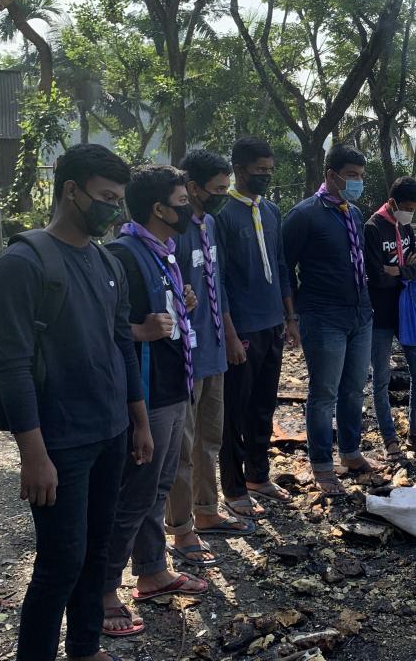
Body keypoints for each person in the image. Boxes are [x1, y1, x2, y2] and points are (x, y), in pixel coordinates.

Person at [0, 143, 152, 661]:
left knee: (97, 552)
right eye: (106, 197)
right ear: (71, 191)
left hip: (110, 433)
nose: (113, 208)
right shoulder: (22, 263)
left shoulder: (107, 261)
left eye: (119, 199)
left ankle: (84, 649)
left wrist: (138, 421)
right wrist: (33, 455)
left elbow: (122, 345)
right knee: (60, 561)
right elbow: (10, 367)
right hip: (60, 442)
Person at [102, 165, 207, 638]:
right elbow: (96, 327)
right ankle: (102, 592)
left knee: (157, 488)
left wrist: (182, 303)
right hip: (145, 393)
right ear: (158, 209)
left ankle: (150, 571)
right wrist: (139, 331)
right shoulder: (122, 255)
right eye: (181, 202)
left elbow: (159, 309)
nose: (188, 208)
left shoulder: (162, 251)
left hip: (172, 383)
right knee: (134, 494)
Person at [164, 150, 256, 569]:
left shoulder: (212, 223)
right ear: (195, 187)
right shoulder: (175, 231)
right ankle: (179, 527)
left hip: (216, 350)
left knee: (210, 439)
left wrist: (231, 337)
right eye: (218, 190)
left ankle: (206, 510)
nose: (222, 196)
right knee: (181, 447)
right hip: (186, 354)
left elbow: (217, 287)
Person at [282, 144, 378, 495]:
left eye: (360, 177)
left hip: (359, 315)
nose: (357, 182)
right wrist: (291, 316)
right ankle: (322, 464)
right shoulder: (304, 215)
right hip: (322, 316)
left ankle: (351, 452)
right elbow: (285, 268)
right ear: (331, 175)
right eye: (351, 176)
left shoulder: (352, 213)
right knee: (323, 392)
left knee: (353, 390)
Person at [215, 137, 300, 517]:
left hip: (272, 324)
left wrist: (290, 317)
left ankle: (258, 475)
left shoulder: (272, 211)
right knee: (235, 409)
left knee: (264, 405)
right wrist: (230, 333)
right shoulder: (222, 215)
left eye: (269, 170)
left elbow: (281, 265)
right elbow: (218, 281)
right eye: (258, 171)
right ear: (238, 168)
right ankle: (232, 488)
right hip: (242, 328)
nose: (265, 177)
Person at [364, 177, 416, 460]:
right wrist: (401, 270)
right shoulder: (373, 228)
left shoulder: (406, 227)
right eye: (407, 207)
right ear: (393, 202)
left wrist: (398, 271)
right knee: (381, 378)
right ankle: (389, 438)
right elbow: (375, 277)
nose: (409, 212)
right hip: (381, 313)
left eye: (413, 208)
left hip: (406, 311)